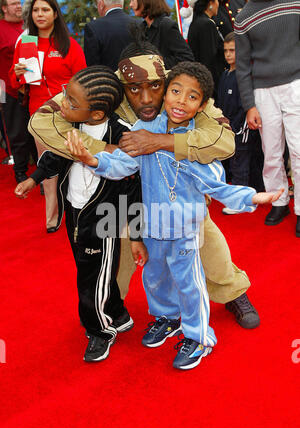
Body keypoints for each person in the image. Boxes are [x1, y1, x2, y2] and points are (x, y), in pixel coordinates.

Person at [28, 36, 261, 330]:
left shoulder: (182, 88)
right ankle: (109, 309)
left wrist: (160, 142)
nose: (147, 98)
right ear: (120, 82)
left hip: (176, 194)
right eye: (134, 89)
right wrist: (108, 150)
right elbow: (40, 120)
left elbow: (225, 142)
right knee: (114, 259)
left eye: (155, 86)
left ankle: (232, 291)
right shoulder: (102, 86)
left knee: (206, 239)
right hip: (121, 195)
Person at [66, 62, 283, 370]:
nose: (181, 101)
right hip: (153, 225)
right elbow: (121, 164)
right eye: (176, 91)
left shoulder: (197, 145)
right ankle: (168, 318)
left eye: (192, 97)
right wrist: (91, 160)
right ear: (165, 93)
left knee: (189, 283)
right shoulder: (145, 133)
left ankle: (199, 337)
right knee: (154, 278)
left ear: (202, 105)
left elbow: (216, 184)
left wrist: (251, 196)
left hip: (184, 229)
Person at [15, 65, 143, 363]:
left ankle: (100, 330)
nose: (63, 104)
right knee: (95, 271)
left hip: (105, 217)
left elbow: (132, 184)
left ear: (97, 113)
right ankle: (117, 312)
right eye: (65, 96)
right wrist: (34, 178)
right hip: (76, 210)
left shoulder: (121, 136)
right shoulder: (74, 126)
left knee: (89, 278)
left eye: (72, 102)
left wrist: (133, 230)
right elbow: (57, 156)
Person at [9, 0, 86, 232]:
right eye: (35, 10)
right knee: (47, 168)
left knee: (76, 163)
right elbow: (15, 83)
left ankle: (78, 212)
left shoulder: (68, 44)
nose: (39, 14)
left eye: (45, 10)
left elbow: (82, 80)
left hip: (67, 115)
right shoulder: (26, 43)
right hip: (39, 116)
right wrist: (17, 74)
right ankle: (52, 218)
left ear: (55, 14)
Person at [234, 0, 300, 237]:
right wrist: (249, 105)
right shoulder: (243, 18)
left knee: (299, 149)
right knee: (270, 151)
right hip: (262, 91)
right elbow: (241, 66)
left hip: (296, 84)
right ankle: (279, 202)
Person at [216, 31, 264, 214]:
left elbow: (247, 104)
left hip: (241, 127)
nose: (228, 54)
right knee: (238, 162)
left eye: (232, 50)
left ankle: (242, 202)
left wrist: (236, 126)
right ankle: (250, 195)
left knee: (240, 163)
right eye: (225, 50)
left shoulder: (245, 75)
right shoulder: (225, 74)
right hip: (227, 127)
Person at [0, 0, 37, 183]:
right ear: (4, 8)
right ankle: (20, 171)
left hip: (32, 89)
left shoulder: (30, 29)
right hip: (8, 89)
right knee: (16, 132)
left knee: (34, 131)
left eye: (19, 3)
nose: (18, 6)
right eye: (13, 3)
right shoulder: (1, 29)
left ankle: (39, 170)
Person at [130, 0, 194, 69]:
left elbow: (186, 58)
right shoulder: (142, 28)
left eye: (133, 0)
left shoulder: (166, 25)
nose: (130, 4)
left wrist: (156, 64)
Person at [84, 0, 138, 71]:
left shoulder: (93, 27)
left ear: (101, 4)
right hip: (135, 79)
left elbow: (93, 67)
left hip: (107, 80)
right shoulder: (139, 24)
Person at [188, 0, 226, 99]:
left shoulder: (197, 22)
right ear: (210, 3)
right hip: (212, 84)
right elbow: (210, 59)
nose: (218, 4)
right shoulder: (206, 24)